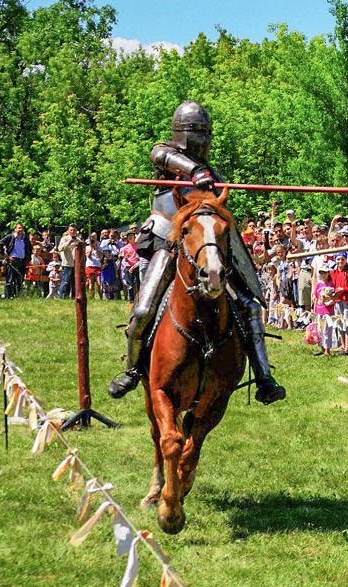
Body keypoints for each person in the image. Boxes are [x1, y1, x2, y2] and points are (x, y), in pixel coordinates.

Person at [108, 100, 285, 404]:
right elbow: (161, 154)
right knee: (143, 308)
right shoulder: (168, 158)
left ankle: (263, 377)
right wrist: (193, 170)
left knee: (250, 307)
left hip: (205, 249)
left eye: (206, 132)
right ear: (182, 133)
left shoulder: (213, 174)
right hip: (169, 241)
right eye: (196, 132)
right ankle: (133, 369)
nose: (201, 139)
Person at [0, 223, 31, 299]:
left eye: (22, 228)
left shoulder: (25, 238)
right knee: (10, 280)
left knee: (19, 280)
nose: (20, 230)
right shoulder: (11, 237)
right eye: (19, 228)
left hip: (22, 261)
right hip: (12, 260)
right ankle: (7, 297)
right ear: (15, 229)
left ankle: (18, 296)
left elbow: (29, 249)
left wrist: (27, 259)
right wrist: (7, 256)